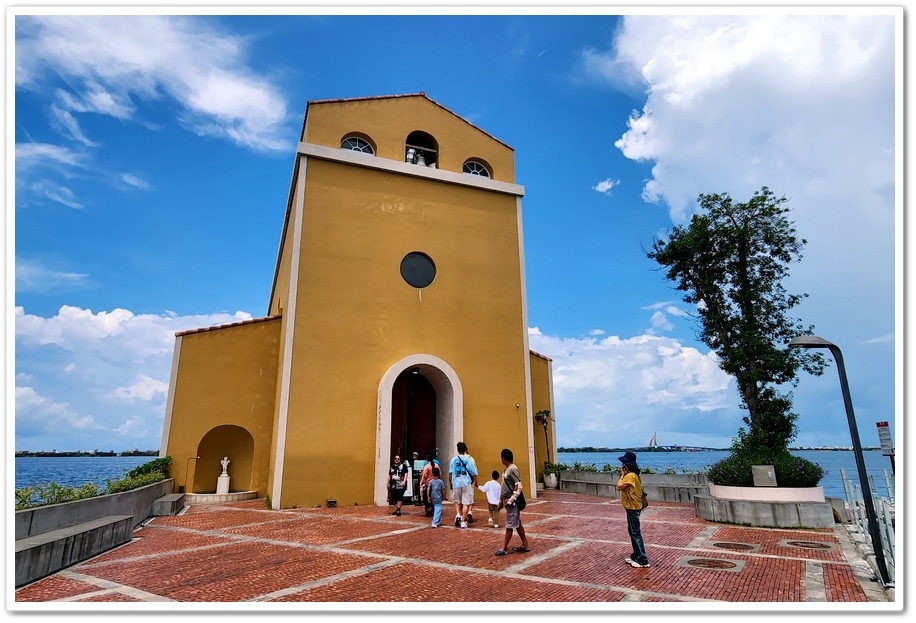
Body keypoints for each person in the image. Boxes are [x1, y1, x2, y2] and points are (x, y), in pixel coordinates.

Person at [617, 450, 650, 568]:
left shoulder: (630, 476)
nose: (622, 466)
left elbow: (619, 486)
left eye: (623, 464)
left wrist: (622, 475)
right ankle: (636, 555)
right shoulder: (634, 475)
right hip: (632, 506)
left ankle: (642, 558)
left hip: (633, 507)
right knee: (632, 531)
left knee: (635, 532)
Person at [495, 448, 529, 556]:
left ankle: (504, 548)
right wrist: (501, 499)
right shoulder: (506, 470)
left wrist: (511, 500)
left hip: (512, 502)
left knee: (509, 525)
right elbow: (504, 485)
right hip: (507, 500)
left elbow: (518, 486)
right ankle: (524, 543)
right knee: (517, 523)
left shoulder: (513, 469)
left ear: (503, 458)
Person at [448, 441, 478, 528]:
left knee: (457, 501)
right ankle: (463, 521)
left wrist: (450, 482)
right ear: (465, 449)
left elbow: (450, 473)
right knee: (466, 503)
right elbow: (474, 472)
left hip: (456, 482)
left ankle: (458, 514)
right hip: (466, 483)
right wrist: (476, 482)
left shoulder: (453, 460)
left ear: (457, 450)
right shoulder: (468, 459)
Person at [419, 452, 439, 517]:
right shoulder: (436, 465)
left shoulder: (427, 466)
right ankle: (433, 509)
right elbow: (440, 474)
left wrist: (421, 483)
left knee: (427, 497)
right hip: (436, 484)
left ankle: (428, 509)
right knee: (434, 497)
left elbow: (424, 476)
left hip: (428, 484)